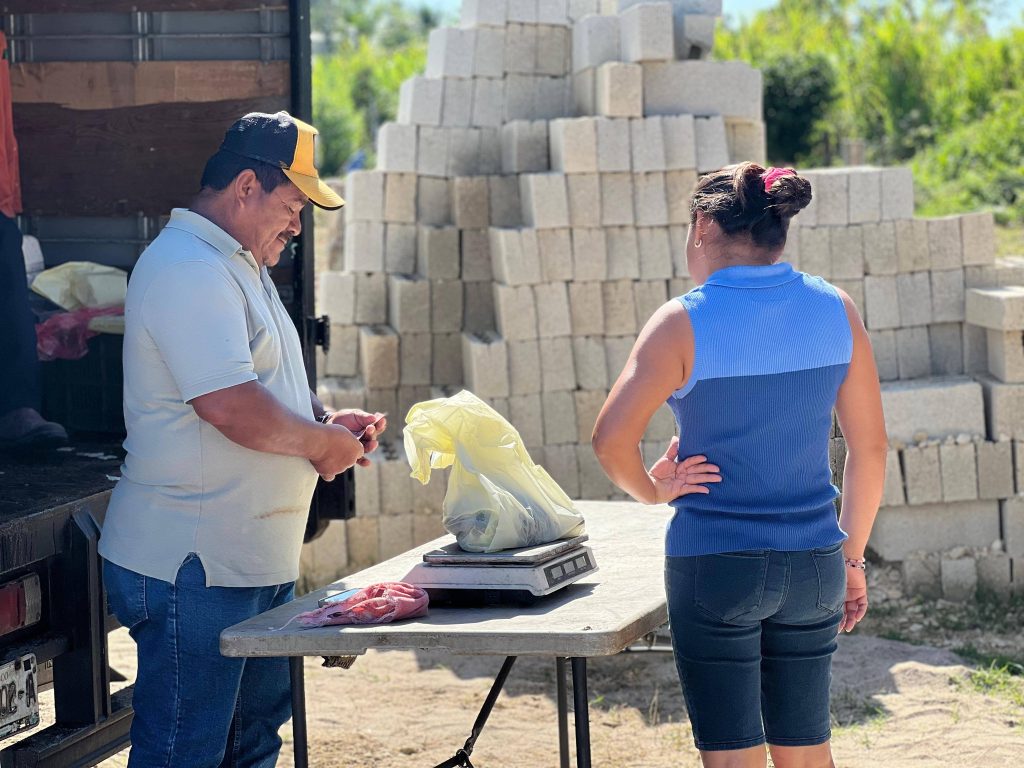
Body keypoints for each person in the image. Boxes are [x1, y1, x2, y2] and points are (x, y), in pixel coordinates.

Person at [99, 111, 386, 767]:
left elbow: (263, 385)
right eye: (292, 206)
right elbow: (228, 405)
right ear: (247, 186)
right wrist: (318, 446)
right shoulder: (188, 268)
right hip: (194, 567)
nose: (298, 225)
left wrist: (324, 421)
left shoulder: (236, 264)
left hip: (243, 563)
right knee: (187, 752)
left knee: (250, 744)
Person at [592, 163, 886, 768]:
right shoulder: (836, 308)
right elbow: (872, 449)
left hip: (715, 564)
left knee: (732, 759)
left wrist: (654, 490)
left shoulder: (681, 321)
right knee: (808, 753)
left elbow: (610, 441)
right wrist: (852, 558)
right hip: (815, 563)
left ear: (703, 225)